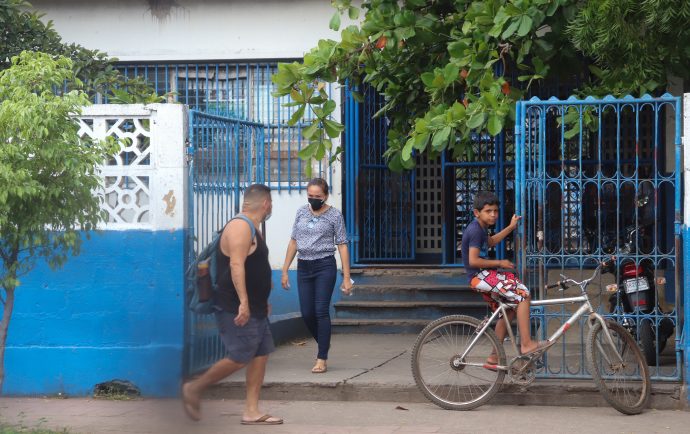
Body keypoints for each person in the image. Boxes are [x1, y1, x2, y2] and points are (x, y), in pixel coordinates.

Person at [182, 184, 283, 426]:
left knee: (260, 354)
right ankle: (194, 388)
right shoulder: (240, 227)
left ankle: (251, 410)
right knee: (240, 356)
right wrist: (245, 304)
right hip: (234, 306)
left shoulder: (254, 228)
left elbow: (255, 267)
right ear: (266, 204)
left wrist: (262, 301)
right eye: (271, 203)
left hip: (256, 307)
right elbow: (237, 265)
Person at [461, 191, 547, 369]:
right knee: (523, 294)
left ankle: (494, 358)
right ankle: (526, 344)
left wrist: (510, 227)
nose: (493, 214)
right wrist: (500, 262)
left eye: (495, 211)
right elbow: (473, 260)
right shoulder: (475, 230)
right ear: (477, 213)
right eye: (488, 211)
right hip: (479, 276)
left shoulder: (480, 228)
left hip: (483, 276)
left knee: (508, 311)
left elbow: (490, 242)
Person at [281, 178, 352, 374]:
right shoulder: (302, 212)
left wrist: (346, 277)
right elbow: (294, 241)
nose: (313, 200)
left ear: (326, 196)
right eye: (310, 196)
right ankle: (324, 341)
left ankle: (321, 357)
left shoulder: (335, 215)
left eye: (317, 197)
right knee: (307, 313)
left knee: (320, 311)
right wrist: (285, 269)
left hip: (324, 266)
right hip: (304, 266)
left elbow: (343, 244)